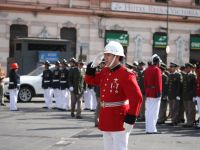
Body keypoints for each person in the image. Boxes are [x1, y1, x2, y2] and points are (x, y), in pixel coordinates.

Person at [85, 41, 143, 150]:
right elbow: (90, 80)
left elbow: (137, 98)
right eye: (105, 54)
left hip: (119, 118)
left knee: (119, 148)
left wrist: (131, 118)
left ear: (117, 56)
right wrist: (92, 66)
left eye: (108, 55)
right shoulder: (105, 71)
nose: (105, 58)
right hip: (106, 116)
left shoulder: (126, 74)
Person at [144, 54, 162, 134]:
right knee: (154, 112)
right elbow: (158, 83)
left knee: (148, 112)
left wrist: (146, 91)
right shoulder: (157, 69)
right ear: (157, 62)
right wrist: (159, 93)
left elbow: (144, 82)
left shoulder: (147, 69)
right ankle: (152, 129)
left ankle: (148, 128)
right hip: (155, 93)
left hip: (148, 92)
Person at [182, 63, 196, 127]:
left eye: (187, 68)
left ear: (190, 68)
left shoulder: (193, 75)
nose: (186, 69)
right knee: (187, 109)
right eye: (185, 68)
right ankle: (188, 121)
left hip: (190, 96)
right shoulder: (185, 75)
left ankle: (191, 122)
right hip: (185, 96)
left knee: (191, 110)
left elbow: (194, 87)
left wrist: (193, 95)